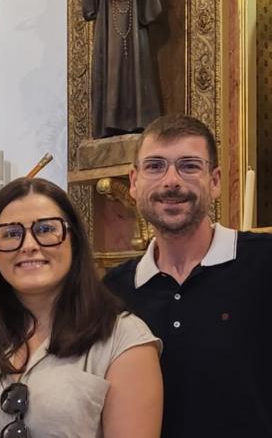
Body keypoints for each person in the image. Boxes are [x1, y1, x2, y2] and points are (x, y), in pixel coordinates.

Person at [0, 177, 163, 437]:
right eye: (11, 233)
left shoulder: (123, 340)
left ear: (73, 239)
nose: (29, 246)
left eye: (45, 230)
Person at [104, 114, 272, 437]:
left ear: (215, 181)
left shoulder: (264, 263)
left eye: (189, 166)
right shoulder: (111, 293)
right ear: (134, 182)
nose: (171, 181)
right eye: (155, 166)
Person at [83, 0, 162, 138]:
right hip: (107, 9)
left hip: (133, 8)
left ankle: (140, 119)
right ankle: (109, 122)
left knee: (137, 63)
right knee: (111, 63)